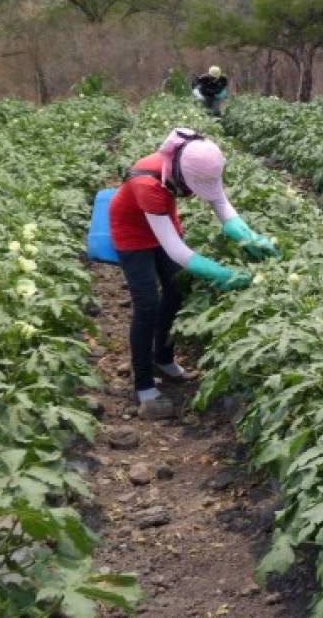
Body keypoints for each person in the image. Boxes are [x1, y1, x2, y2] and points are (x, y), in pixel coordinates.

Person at [110, 128, 277, 419]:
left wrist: (250, 237)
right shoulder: (148, 184)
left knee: (177, 288)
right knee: (147, 303)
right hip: (132, 232)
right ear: (179, 176)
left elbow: (222, 205)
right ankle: (144, 384)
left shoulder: (200, 160)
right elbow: (177, 251)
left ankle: (163, 357)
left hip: (163, 219)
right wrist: (222, 274)